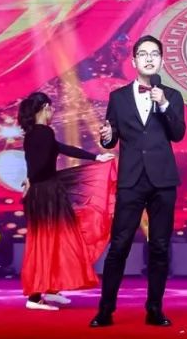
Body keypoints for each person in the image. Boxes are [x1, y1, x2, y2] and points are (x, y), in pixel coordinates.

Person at [90, 35, 187, 328]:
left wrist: (164, 104)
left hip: (162, 180)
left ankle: (154, 309)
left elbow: (178, 134)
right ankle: (105, 309)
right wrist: (107, 137)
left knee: (159, 247)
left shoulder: (172, 95)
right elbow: (110, 137)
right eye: (143, 54)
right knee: (119, 245)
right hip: (131, 179)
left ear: (161, 61)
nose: (149, 58)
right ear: (133, 61)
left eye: (154, 54)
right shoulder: (118, 97)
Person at [19, 92, 115, 311]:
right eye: (51, 108)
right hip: (46, 193)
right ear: (44, 107)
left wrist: (95, 157)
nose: (53, 112)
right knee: (48, 241)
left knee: (54, 240)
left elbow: (61, 149)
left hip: (42, 191)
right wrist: (31, 179)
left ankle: (51, 288)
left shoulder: (34, 133)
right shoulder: (43, 132)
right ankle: (35, 297)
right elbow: (40, 165)